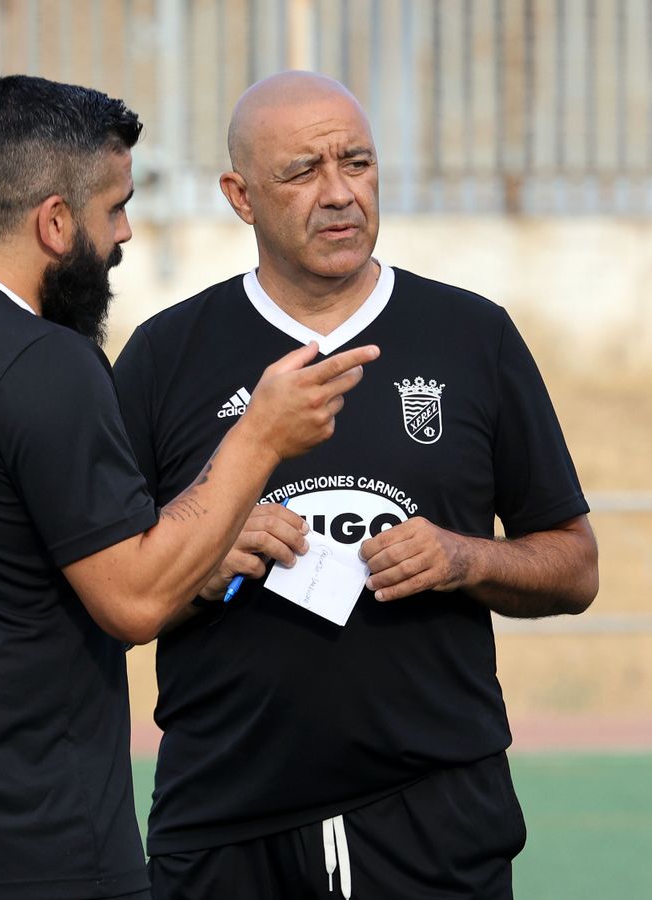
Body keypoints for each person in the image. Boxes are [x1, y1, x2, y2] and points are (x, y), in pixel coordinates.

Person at [0, 74, 378, 900]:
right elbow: (133, 600)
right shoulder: (46, 362)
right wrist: (260, 437)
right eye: (114, 208)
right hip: (36, 846)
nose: (126, 232)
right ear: (55, 223)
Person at [112, 71, 599, 899]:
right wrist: (202, 558)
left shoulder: (471, 336)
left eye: (358, 164)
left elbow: (575, 566)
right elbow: (108, 595)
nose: (339, 194)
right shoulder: (165, 356)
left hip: (434, 814)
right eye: (304, 172)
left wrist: (463, 558)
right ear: (240, 195)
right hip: (225, 821)